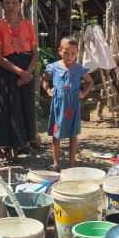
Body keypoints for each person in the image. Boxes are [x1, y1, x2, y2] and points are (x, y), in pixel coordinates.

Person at [0, 0, 40, 161]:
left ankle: (25, 144)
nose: (11, 6)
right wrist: (20, 72)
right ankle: (7, 147)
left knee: (26, 106)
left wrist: (28, 72)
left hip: (27, 69)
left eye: (14, 2)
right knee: (8, 108)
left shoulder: (28, 25)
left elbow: (35, 53)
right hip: (7, 71)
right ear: (1, 4)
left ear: (20, 4)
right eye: (7, 2)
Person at [41, 37, 93, 170]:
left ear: (77, 53)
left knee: (73, 134)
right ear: (60, 51)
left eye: (73, 54)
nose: (69, 56)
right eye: (66, 53)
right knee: (56, 134)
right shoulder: (53, 67)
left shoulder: (79, 69)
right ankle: (56, 163)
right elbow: (44, 79)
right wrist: (48, 90)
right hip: (58, 106)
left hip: (72, 106)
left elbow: (89, 82)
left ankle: (71, 164)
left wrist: (83, 93)